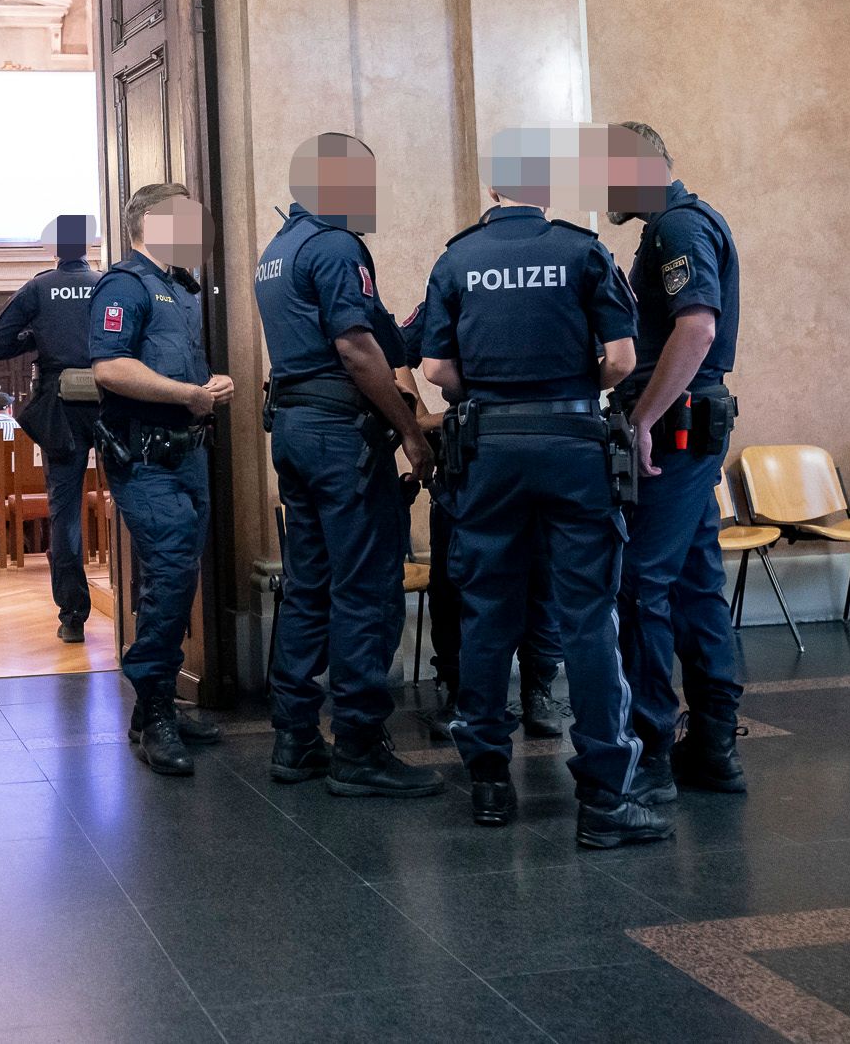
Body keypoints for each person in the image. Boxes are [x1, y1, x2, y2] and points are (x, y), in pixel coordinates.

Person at [414, 130, 670, 848]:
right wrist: (564, 384)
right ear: (547, 187)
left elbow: (433, 368)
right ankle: (603, 801)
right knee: (588, 618)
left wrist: (496, 393)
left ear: (492, 188)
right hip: (572, 447)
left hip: (489, 451)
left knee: (489, 613)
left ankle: (491, 783)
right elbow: (621, 357)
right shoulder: (584, 250)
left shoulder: (457, 257)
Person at [254, 135, 442, 798]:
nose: (371, 195)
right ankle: (360, 746)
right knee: (364, 588)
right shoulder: (336, 246)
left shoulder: (277, 251)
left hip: (297, 431)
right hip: (341, 438)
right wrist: (410, 432)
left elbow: (381, 331)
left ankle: (295, 737)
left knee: (309, 586)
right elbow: (358, 349)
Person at [605, 121, 747, 802]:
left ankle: (652, 742)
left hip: (677, 429)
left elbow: (697, 327)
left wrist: (641, 419)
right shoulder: (675, 225)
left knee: (641, 582)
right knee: (693, 580)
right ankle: (713, 742)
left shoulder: (675, 229)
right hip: (692, 425)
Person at [88, 183, 231, 775]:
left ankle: (153, 707)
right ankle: (154, 712)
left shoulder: (179, 288)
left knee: (174, 583)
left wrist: (209, 387)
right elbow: (111, 366)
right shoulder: (123, 284)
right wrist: (190, 395)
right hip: (145, 460)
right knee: (171, 573)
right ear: (150, 223)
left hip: (187, 455)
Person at [396, 346, 567, 744]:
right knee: (455, 586)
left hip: (535, 446)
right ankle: (460, 692)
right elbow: (395, 348)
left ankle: (536, 690)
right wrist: (419, 418)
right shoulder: (460, 284)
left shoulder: (555, 285)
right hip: (469, 458)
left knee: (539, 582)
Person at [0, 214, 101, 641]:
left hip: (60, 408)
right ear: (88, 245)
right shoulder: (106, 283)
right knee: (131, 501)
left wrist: (35, 338)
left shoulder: (40, 287)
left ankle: (72, 617)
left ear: (55, 248)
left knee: (65, 513)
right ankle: (140, 605)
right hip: (113, 400)